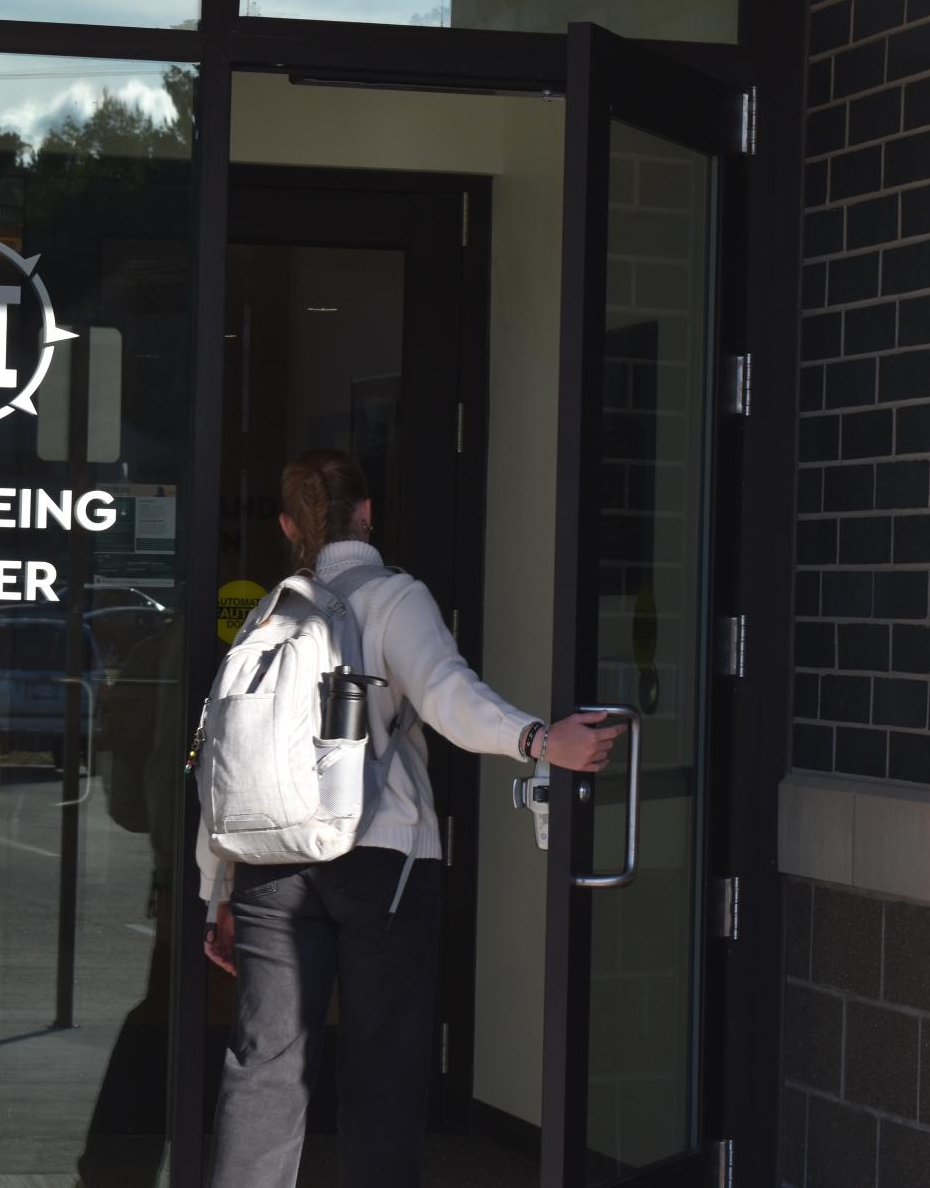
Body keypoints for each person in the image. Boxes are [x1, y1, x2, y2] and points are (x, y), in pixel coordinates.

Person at [198, 448, 623, 1188]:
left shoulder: (267, 613)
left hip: (266, 864)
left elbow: (221, 761)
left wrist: (218, 889)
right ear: (367, 515)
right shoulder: (395, 597)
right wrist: (537, 741)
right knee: (382, 1069)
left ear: (287, 525)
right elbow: (447, 696)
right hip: (380, 861)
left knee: (263, 1069)